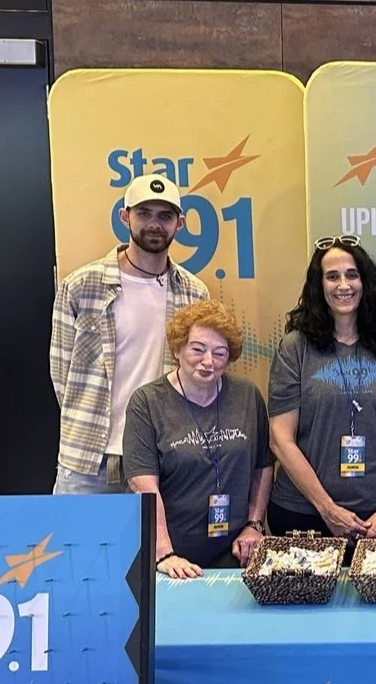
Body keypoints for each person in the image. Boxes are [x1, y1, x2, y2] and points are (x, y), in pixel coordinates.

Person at [50, 174, 209, 494]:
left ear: (179, 224)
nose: (154, 224)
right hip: (88, 459)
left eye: (164, 216)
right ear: (125, 217)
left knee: (155, 545)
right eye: (144, 213)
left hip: (162, 457)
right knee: (77, 544)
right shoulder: (81, 286)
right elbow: (61, 374)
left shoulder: (194, 293)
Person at [266, 235, 376, 543]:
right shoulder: (294, 347)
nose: (343, 285)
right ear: (318, 285)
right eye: (332, 276)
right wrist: (328, 510)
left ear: (366, 282)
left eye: (352, 274)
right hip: (305, 513)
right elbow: (280, 440)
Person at [123, 301, 272, 579]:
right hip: (173, 557)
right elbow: (142, 484)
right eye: (197, 349)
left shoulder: (247, 396)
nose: (208, 362)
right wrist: (164, 553)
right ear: (178, 348)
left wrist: (255, 524)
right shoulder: (147, 403)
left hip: (234, 554)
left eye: (220, 353)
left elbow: (263, 466)